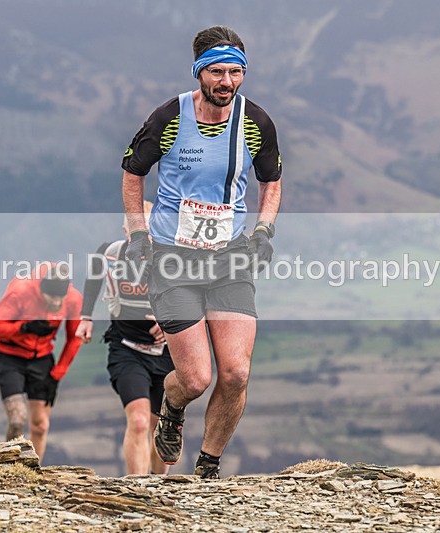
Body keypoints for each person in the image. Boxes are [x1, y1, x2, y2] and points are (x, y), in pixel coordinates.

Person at [121, 26, 282, 479]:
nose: (226, 81)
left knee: (235, 373)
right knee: (194, 379)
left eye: (235, 72)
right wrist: (138, 234)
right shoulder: (169, 116)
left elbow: (272, 180)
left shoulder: (256, 122)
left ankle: (207, 467)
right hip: (172, 258)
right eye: (217, 71)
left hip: (229, 256)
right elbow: (133, 172)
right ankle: (172, 405)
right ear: (199, 73)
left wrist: (264, 230)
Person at [75, 201, 174, 475]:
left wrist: (171, 324)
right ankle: (137, 488)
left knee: (160, 426)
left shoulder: (174, 259)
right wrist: (85, 316)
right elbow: (94, 276)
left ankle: (158, 486)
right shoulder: (110, 253)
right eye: (135, 228)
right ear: (125, 229)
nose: (142, 235)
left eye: (148, 228)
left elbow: (197, 300)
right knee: (140, 421)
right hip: (126, 348)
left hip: (168, 353)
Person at [0, 261, 83, 464]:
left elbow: (75, 337)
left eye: (61, 298)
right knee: (17, 419)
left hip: (41, 359)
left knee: (40, 424)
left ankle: (33, 470)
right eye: (52, 298)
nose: (57, 303)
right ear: (41, 291)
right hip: (10, 355)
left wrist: (58, 373)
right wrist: (24, 328)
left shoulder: (74, 299)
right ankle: (9, 466)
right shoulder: (20, 291)